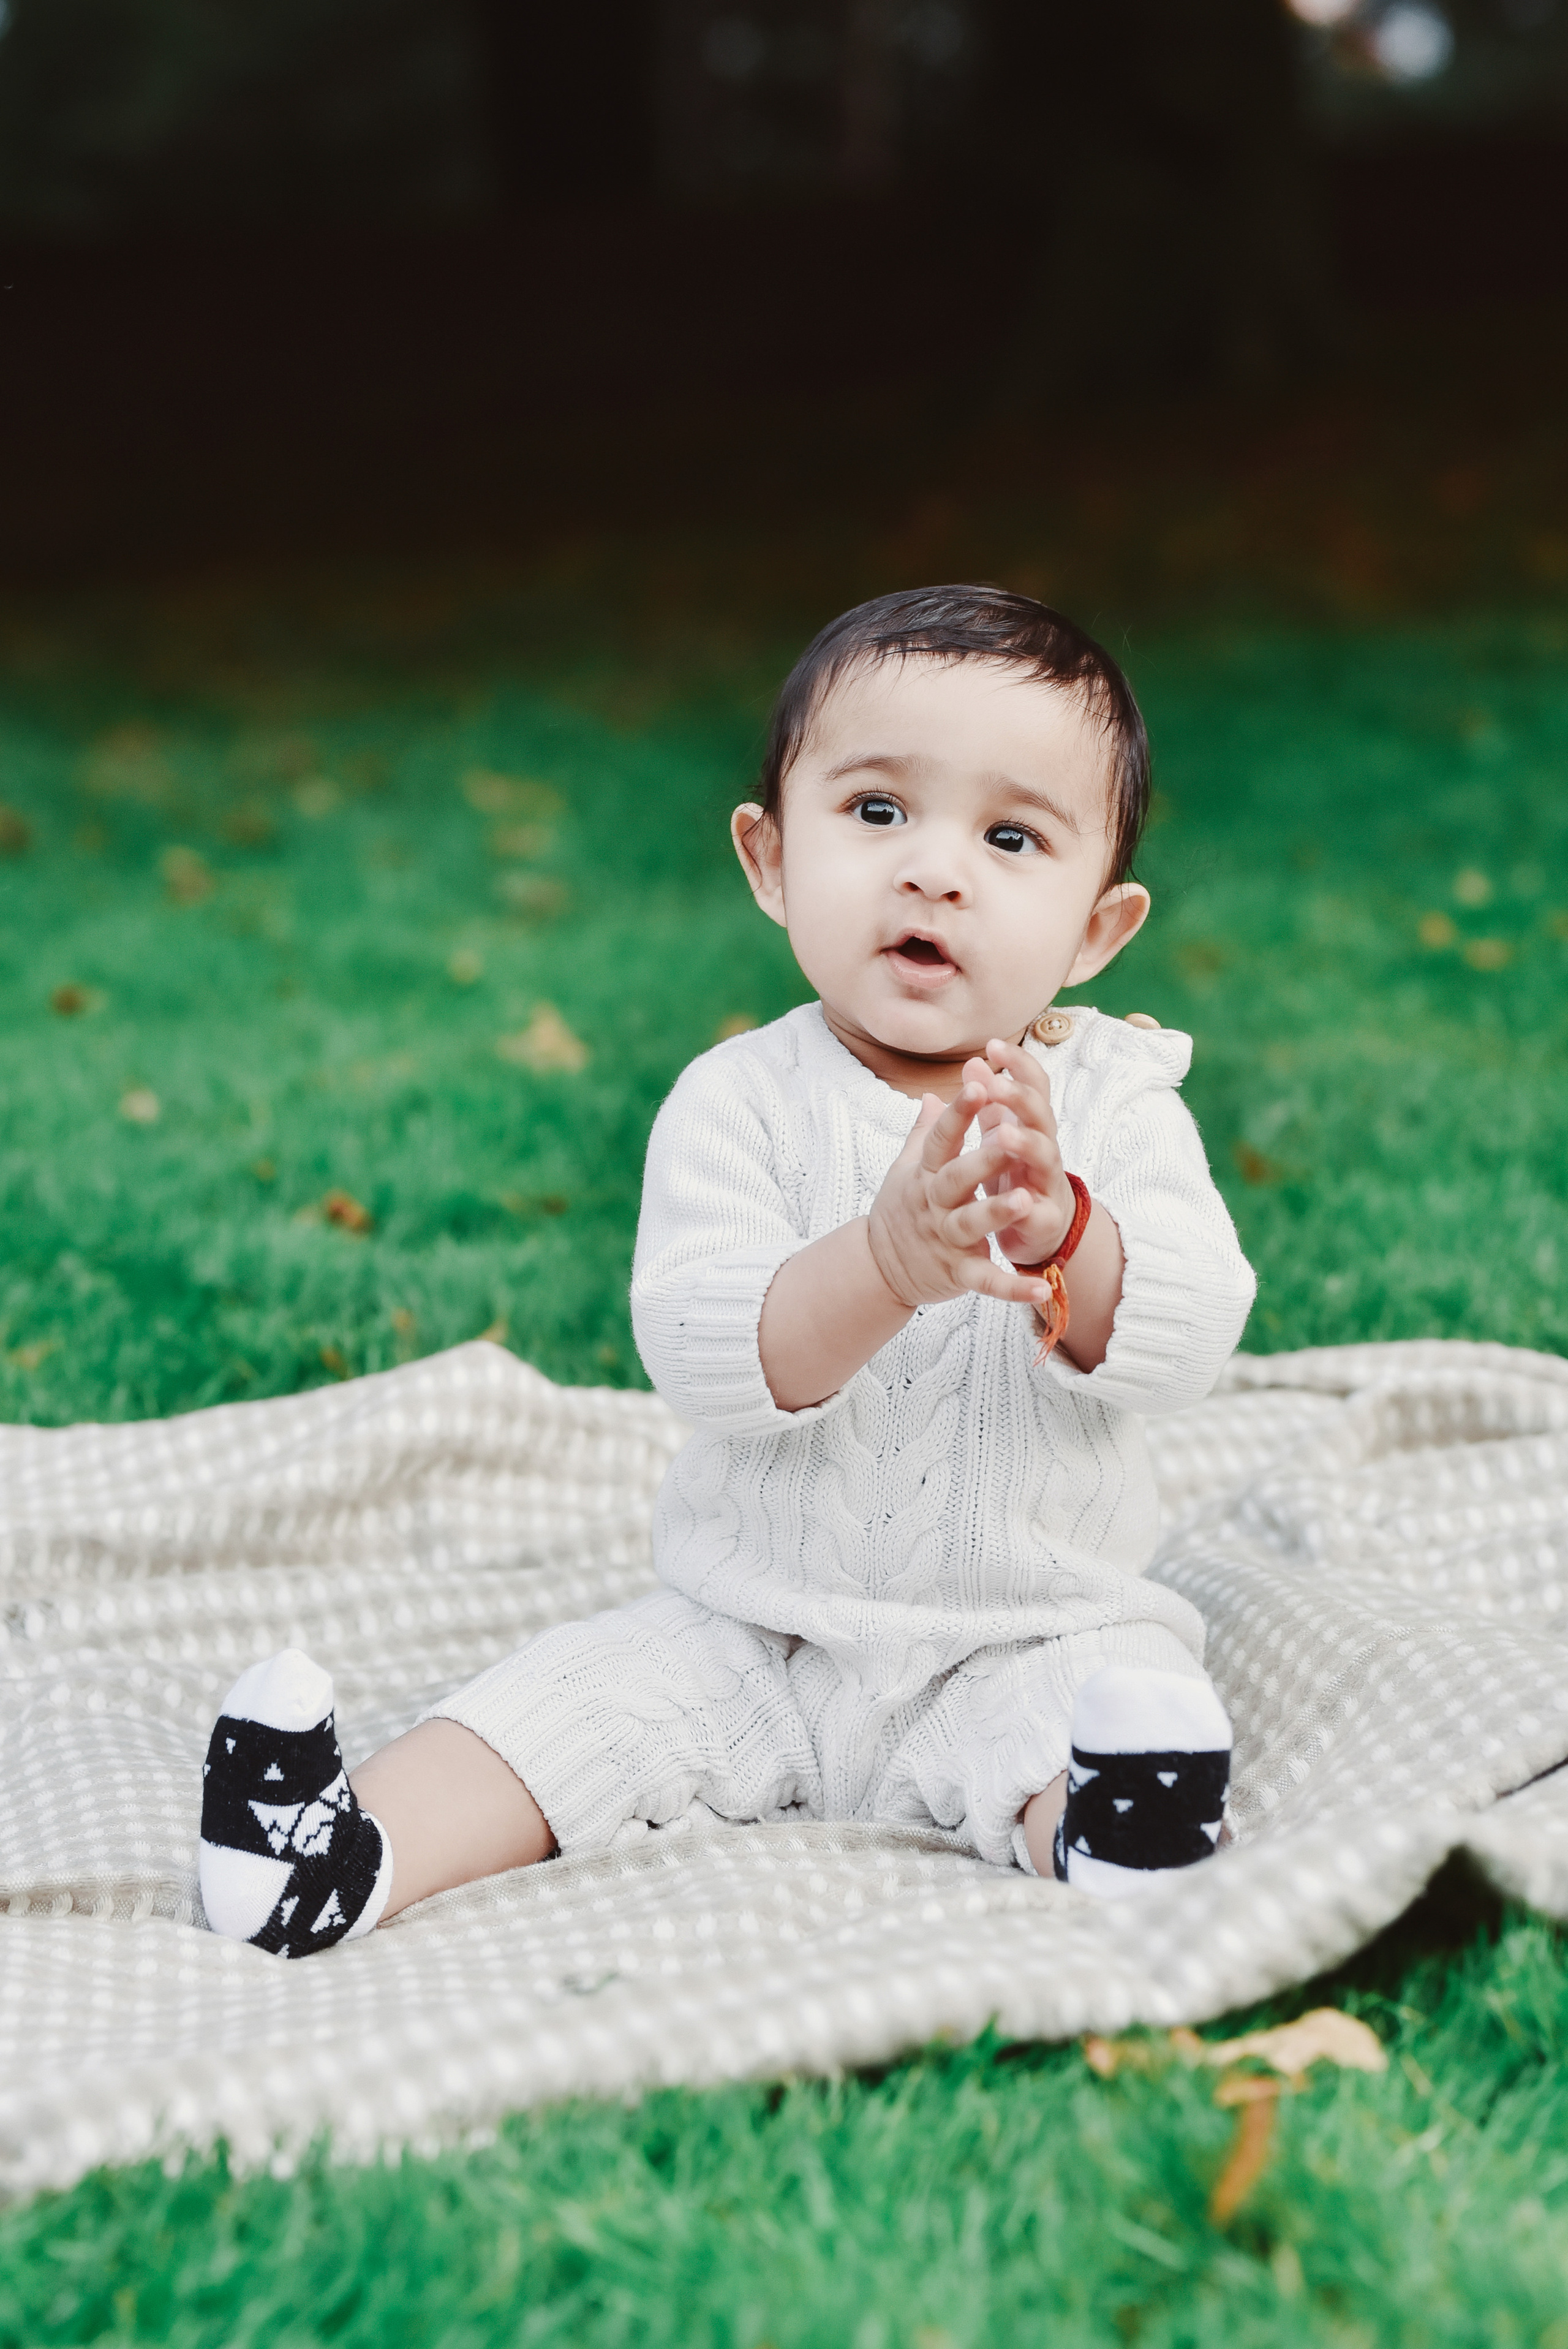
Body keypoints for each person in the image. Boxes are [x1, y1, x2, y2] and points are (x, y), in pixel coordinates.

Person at [197, 585, 1255, 1959]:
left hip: (1022, 1623)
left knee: (1102, 1697)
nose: (933, 870)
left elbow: (1191, 1342)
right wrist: (885, 1262)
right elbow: (709, 1355)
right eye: (875, 813)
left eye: (1007, 837)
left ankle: (1116, 1843)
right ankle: (337, 1857)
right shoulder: (738, 1102)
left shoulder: (1108, 1106)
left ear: (1098, 929)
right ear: (768, 859)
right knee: (567, 1703)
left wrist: (1069, 1237)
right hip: (754, 1632)